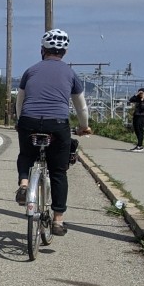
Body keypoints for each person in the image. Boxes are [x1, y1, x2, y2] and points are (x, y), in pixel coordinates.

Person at [14, 29, 92, 237]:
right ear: (64, 53)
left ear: (42, 50)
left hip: (28, 120)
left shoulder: (30, 71)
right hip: (57, 124)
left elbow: (19, 101)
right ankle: (58, 220)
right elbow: (81, 108)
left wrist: (20, 121)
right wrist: (84, 127)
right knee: (58, 172)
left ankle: (23, 183)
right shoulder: (70, 73)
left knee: (26, 155)